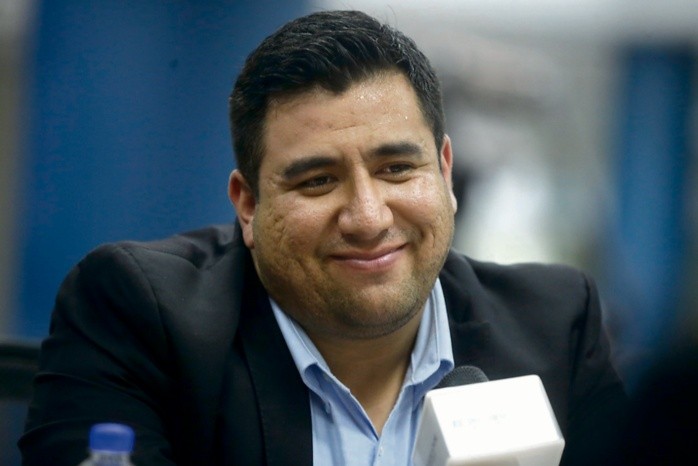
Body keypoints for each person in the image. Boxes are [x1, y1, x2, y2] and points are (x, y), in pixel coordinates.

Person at [20, 10, 626, 466]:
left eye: (397, 169)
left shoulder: (556, 327)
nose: (367, 218)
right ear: (248, 205)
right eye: (317, 181)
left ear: (445, 172)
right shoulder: (138, 314)